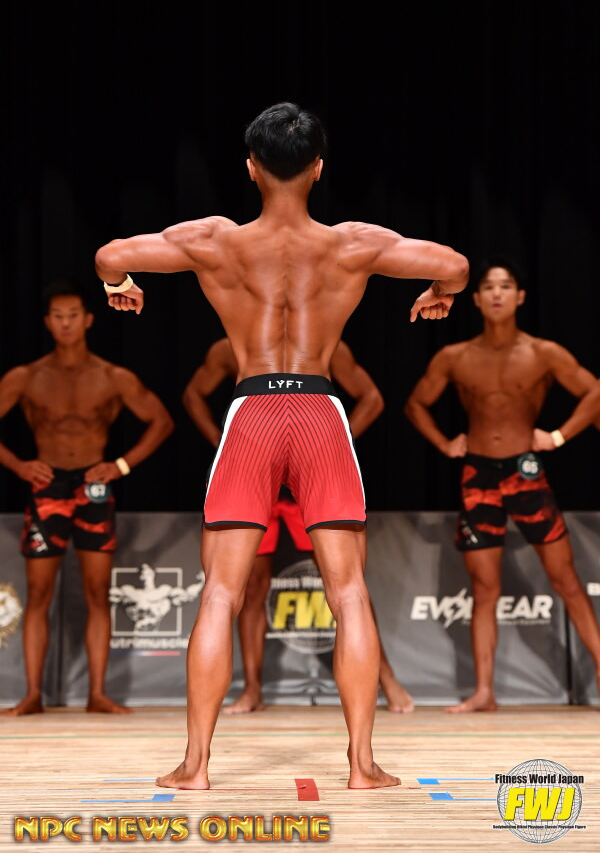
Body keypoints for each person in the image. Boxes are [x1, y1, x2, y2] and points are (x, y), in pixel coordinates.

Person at [95, 101, 468, 788]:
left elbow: (109, 256)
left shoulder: (217, 241)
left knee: (220, 593)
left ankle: (196, 766)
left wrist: (120, 287)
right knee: (348, 592)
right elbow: (455, 264)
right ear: (319, 168)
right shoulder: (352, 243)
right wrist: (440, 297)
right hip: (321, 412)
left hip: (253, 411)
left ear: (251, 168)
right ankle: (362, 766)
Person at [404, 259, 600, 713]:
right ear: (475, 298)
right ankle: (484, 692)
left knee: (566, 579)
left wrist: (558, 436)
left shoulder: (543, 352)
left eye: (505, 286)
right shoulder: (455, 356)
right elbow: (415, 404)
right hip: (478, 476)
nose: (496, 293)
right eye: (488, 287)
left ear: (520, 296)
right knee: (484, 588)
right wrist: (445, 443)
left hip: (526, 472)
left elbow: (594, 392)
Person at [183, 336, 414, 714]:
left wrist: (338, 439)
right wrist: (221, 437)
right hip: (260, 467)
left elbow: (371, 398)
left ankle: (386, 678)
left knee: (345, 582)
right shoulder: (229, 346)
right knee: (251, 586)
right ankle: (252, 688)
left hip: (290, 458)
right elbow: (194, 393)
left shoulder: (322, 342)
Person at [0, 280, 174, 715]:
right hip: (46, 489)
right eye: (58, 316)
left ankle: (97, 693)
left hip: (94, 488)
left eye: (73, 315)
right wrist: (18, 465)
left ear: (88, 320)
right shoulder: (26, 377)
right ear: (47, 322)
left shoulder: (112, 376)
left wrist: (121, 465)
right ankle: (33, 694)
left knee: (98, 591)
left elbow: (162, 421)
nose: (66, 323)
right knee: (39, 592)